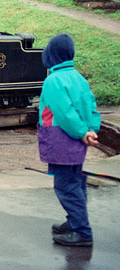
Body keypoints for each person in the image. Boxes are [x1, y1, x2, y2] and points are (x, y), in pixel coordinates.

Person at [38, 33, 100, 247]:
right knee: (76, 182)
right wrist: (91, 130)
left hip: (62, 140)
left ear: (51, 55)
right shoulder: (79, 78)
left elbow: (64, 113)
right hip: (77, 143)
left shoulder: (53, 80)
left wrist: (81, 132)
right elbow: (91, 106)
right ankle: (74, 222)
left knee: (66, 186)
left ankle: (82, 231)